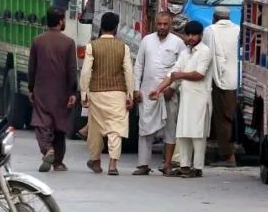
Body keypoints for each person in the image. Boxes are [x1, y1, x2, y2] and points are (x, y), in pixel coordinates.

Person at [151, 21, 213, 178]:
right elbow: (172, 74)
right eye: (189, 35)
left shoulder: (205, 52)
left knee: (198, 135)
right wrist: (158, 89)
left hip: (199, 99)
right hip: (186, 99)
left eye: (194, 35)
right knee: (183, 132)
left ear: (200, 36)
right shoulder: (186, 53)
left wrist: (181, 75)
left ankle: (197, 167)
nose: (191, 38)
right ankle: (184, 166)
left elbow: (200, 74)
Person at [79, 12, 134, 176]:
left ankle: (96, 161)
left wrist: (84, 93)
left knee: (95, 128)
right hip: (118, 93)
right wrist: (130, 95)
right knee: (116, 129)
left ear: (102, 26)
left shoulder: (92, 46)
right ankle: (112, 164)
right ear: (116, 28)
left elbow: (86, 72)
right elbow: (128, 73)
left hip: (97, 93)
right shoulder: (123, 47)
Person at [131, 11, 185, 175]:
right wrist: (136, 89)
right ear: (155, 24)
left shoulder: (178, 43)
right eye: (159, 24)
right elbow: (139, 65)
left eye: (165, 24)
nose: (162, 27)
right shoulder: (147, 40)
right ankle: (143, 164)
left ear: (170, 24)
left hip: (168, 93)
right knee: (145, 128)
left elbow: (181, 69)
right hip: (147, 92)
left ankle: (167, 164)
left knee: (170, 128)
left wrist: (172, 88)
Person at [28, 7, 78, 172]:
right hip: (61, 91)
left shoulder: (37, 41)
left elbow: (32, 67)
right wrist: (72, 92)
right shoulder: (69, 43)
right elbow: (72, 69)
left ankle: (47, 149)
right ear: (61, 21)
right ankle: (58, 161)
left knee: (42, 123)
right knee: (59, 126)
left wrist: (30, 88)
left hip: (42, 89)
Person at [204, 6, 241, 167]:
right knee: (228, 117)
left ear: (214, 17)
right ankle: (221, 151)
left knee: (222, 119)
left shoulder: (210, 31)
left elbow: (205, 53)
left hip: (218, 79)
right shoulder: (238, 29)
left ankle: (228, 156)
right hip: (236, 80)